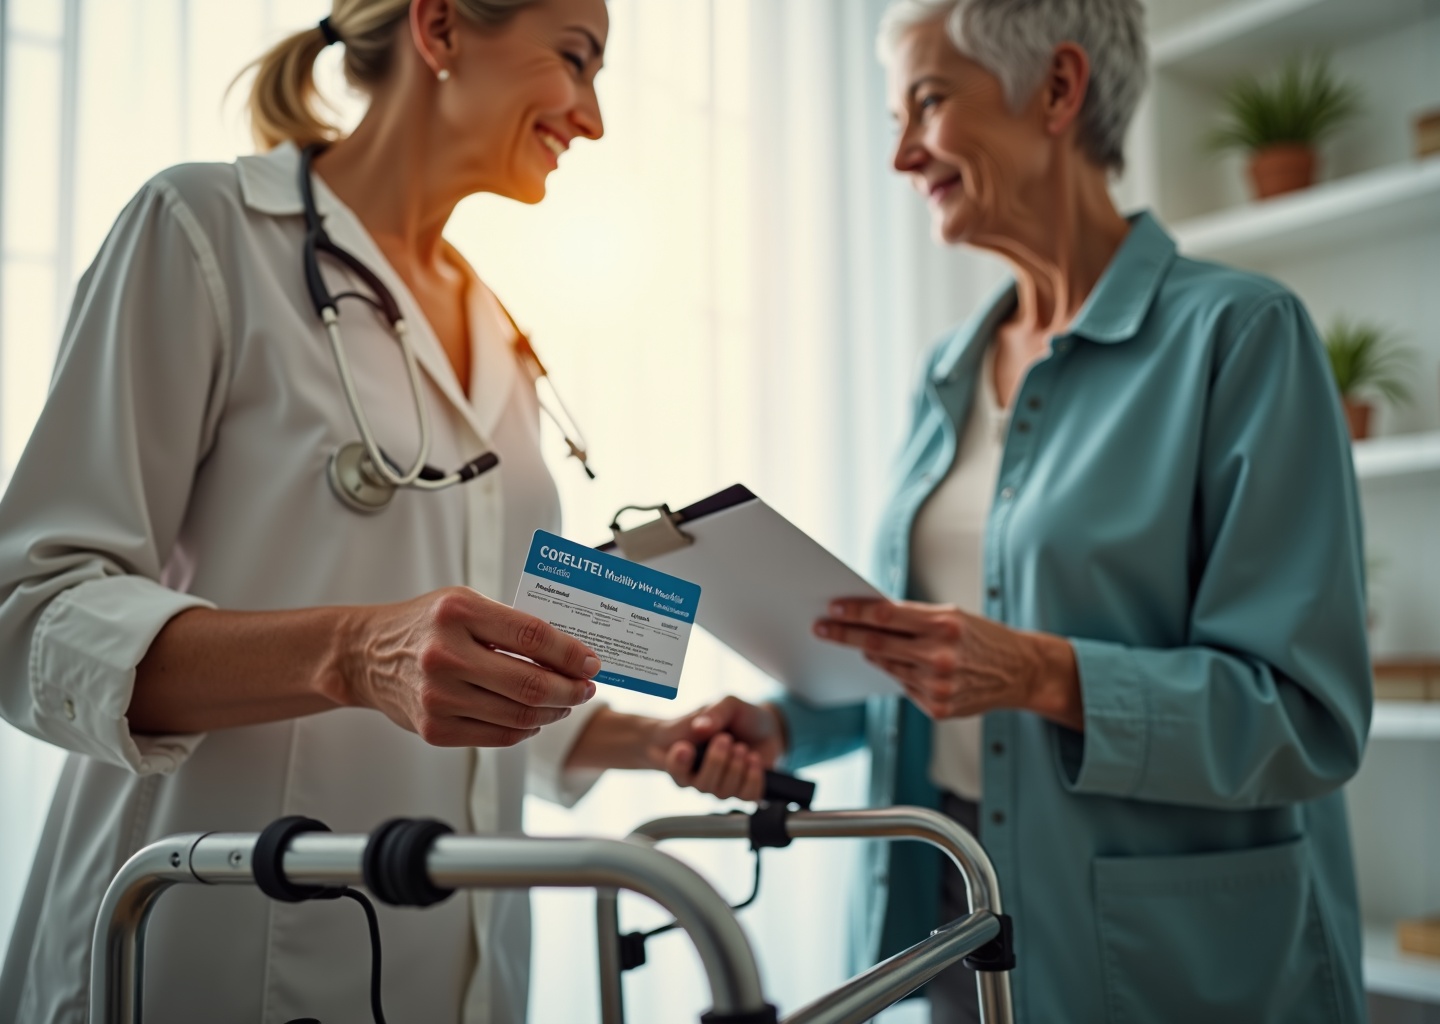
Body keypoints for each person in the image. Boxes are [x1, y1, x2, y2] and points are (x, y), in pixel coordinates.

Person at [0, 1, 762, 1020]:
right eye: (575, 62)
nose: (593, 119)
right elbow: (33, 615)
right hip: (197, 932)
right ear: (440, 28)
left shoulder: (500, 332)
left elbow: (463, 674)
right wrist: (353, 652)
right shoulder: (204, 231)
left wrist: (649, 738)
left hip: (449, 950)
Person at [681, 1, 1373, 1021]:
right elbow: (939, 663)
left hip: (1172, 955)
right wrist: (789, 721)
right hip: (959, 908)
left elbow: (1306, 720)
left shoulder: (1241, 337)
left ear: (1057, 89)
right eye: (893, 118)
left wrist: (1042, 671)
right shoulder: (949, 372)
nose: (903, 156)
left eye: (927, 103)